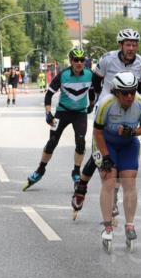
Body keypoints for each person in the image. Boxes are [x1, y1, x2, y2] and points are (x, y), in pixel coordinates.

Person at [72, 28, 141, 216]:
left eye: (134, 44)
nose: (131, 48)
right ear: (121, 45)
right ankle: (82, 187)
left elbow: (139, 87)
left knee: (120, 152)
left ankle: (112, 197)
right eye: (128, 44)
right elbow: (96, 81)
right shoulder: (107, 59)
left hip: (127, 105)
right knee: (101, 154)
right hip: (107, 107)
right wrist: (99, 100)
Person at [24, 49, 95, 190]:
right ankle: (40, 170)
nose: (79, 63)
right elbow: (48, 95)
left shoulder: (89, 74)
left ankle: (76, 172)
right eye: (76, 60)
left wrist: (91, 105)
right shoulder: (62, 76)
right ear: (71, 61)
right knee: (52, 142)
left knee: (81, 142)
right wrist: (48, 113)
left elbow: (92, 91)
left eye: (82, 60)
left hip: (80, 113)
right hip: (62, 113)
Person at [92, 71, 141, 250]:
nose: (130, 96)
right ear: (116, 92)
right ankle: (108, 225)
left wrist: (132, 132)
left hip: (128, 144)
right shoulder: (105, 104)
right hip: (105, 143)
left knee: (129, 182)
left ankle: (130, 224)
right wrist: (106, 157)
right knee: (109, 181)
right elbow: (97, 132)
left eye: (132, 91)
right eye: (125, 93)